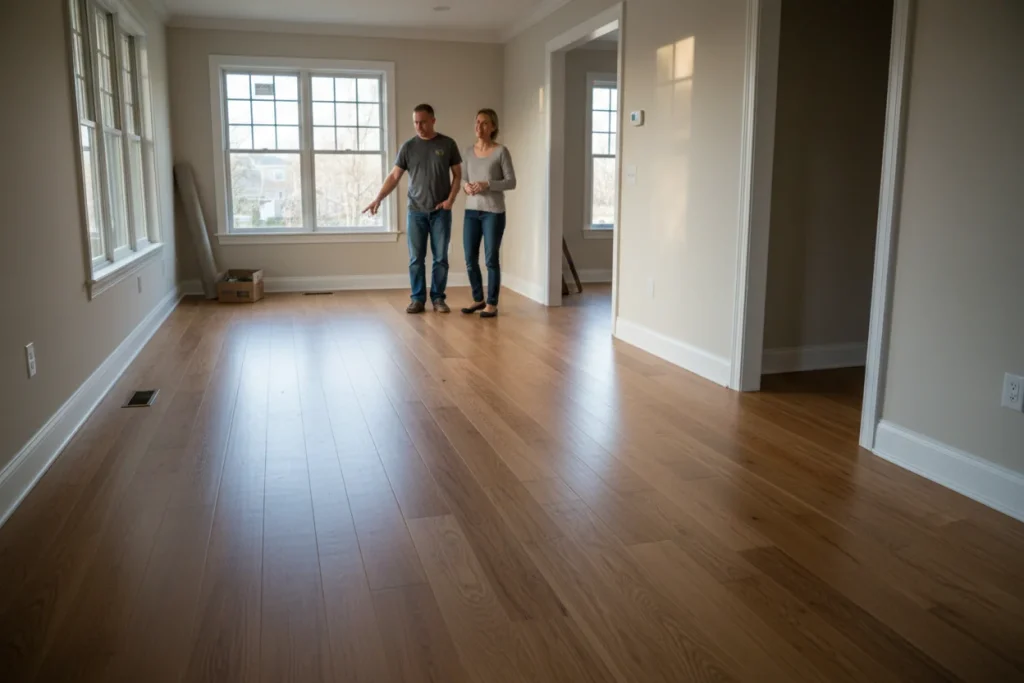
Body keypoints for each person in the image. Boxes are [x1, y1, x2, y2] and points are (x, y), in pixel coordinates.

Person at [364, 104, 462, 313]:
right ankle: (418, 299)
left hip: (441, 212)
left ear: (433, 120)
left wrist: (450, 200)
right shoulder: (408, 147)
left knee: (440, 258)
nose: (419, 126)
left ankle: (438, 299)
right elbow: (394, 176)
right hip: (416, 211)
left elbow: (458, 175)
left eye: (423, 122)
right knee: (416, 259)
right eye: (416, 122)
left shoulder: (447, 144)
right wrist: (378, 198)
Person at [460, 109, 516, 318]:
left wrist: (487, 184)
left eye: (484, 123)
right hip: (471, 212)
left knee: (491, 259)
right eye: (477, 122)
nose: (479, 127)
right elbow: (463, 180)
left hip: (493, 212)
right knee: (469, 257)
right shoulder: (467, 152)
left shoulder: (501, 151)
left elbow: (511, 182)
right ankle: (478, 299)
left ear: (493, 127)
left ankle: (492, 303)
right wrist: (466, 188)